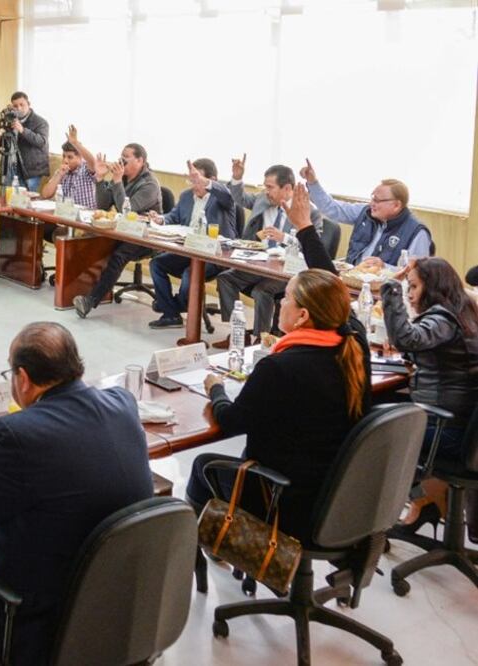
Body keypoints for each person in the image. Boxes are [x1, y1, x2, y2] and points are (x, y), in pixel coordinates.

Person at [0, 322, 153, 665]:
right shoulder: (123, 404)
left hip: (40, 620)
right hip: (118, 607)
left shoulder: (17, 434)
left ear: (23, 379)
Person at [185, 267, 371, 543]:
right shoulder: (353, 354)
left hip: (282, 496)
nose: (280, 302)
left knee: (204, 465)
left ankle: (208, 551)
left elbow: (231, 421)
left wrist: (216, 390)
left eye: (286, 297)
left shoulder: (279, 367)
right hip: (332, 492)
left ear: (302, 315)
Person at [381, 257, 478, 531]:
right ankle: (425, 502)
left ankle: (372, 524)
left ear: (433, 287)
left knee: (369, 432)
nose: (410, 294)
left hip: (446, 428)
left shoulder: (444, 318)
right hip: (463, 427)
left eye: (413, 287)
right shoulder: (466, 312)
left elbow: (406, 338)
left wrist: (391, 288)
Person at [213, 165, 323, 347]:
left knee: (262, 291)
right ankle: (238, 333)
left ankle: (261, 340)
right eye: (265, 186)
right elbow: (240, 198)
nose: (266, 191)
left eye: (270, 187)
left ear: (287, 188)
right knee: (226, 279)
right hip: (259, 262)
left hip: (288, 270)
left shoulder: (309, 211)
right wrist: (237, 178)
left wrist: (284, 238)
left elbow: (314, 246)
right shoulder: (264, 200)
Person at [72, 142, 163, 318]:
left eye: (126, 157)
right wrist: (100, 179)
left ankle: (90, 300)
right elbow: (103, 204)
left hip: (146, 236)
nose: (121, 160)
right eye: (121, 156)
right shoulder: (123, 178)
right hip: (123, 230)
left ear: (140, 161)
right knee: (94, 242)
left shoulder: (150, 184)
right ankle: (76, 288)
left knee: (118, 255)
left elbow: (127, 210)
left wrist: (117, 181)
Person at [147, 158, 237, 329]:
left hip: (214, 255)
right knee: (156, 264)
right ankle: (171, 315)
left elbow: (226, 194)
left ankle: (173, 306)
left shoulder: (222, 199)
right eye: (192, 181)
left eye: (198, 181)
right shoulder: (186, 196)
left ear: (212, 180)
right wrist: (160, 219)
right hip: (188, 251)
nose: (194, 185)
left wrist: (206, 183)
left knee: (190, 273)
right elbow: (173, 216)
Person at [300, 159, 432, 268]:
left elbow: (418, 273)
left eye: (377, 200)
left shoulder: (417, 232)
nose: (372, 203)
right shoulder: (366, 212)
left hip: (385, 289)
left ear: (396, 205)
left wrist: (385, 267)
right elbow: (331, 208)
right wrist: (312, 182)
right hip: (352, 280)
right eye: (372, 198)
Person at [0, 91, 49, 192]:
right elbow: (13, 142)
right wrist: (0, 141)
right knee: (9, 196)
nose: (19, 108)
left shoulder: (41, 122)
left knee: (26, 199)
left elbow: (41, 142)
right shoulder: (12, 120)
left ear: (29, 104)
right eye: (15, 106)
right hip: (13, 167)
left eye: (22, 105)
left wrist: (23, 130)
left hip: (31, 171)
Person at [38, 128, 95, 208]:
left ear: (80, 157)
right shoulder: (61, 171)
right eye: (64, 156)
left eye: (70, 157)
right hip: (67, 212)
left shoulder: (86, 169)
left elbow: (93, 162)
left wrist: (75, 143)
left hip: (86, 212)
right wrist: (59, 175)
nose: (65, 160)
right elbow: (45, 195)